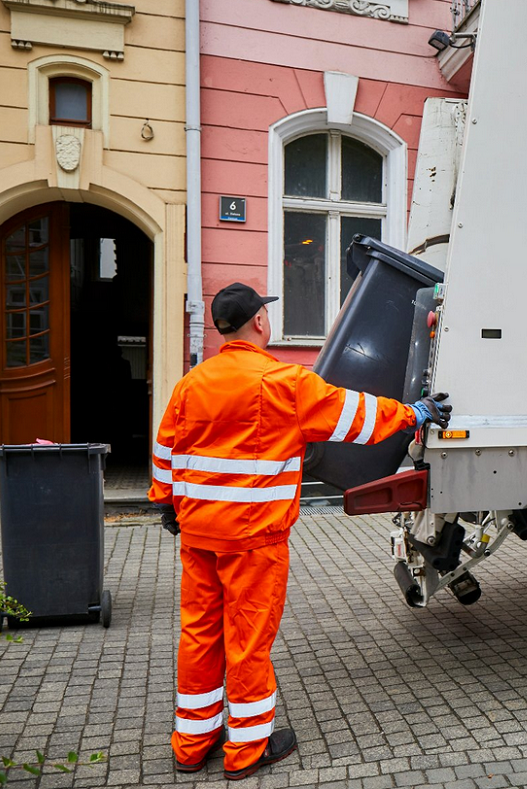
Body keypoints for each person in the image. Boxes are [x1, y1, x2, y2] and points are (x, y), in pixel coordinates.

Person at [147, 282, 450, 780]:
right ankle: (247, 749)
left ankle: (192, 744)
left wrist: (166, 502)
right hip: (254, 540)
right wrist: (414, 413)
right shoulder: (283, 382)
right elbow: (355, 415)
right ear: (259, 322)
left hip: (199, 535)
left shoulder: (190, 384)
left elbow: (165, 451)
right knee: (247, 640)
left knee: (199, 635)